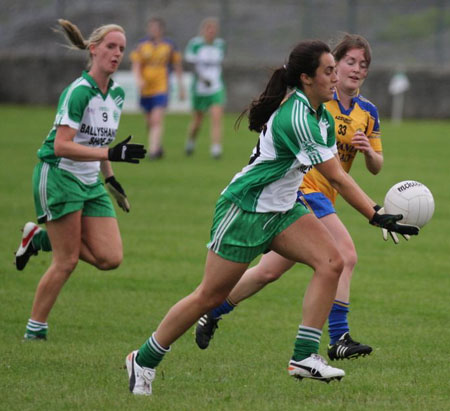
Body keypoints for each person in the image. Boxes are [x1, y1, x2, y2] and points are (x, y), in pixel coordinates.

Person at [125, 39, 418, 395]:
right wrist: (376, 214)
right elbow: (337, 177)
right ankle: (143, 358)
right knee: (207, 296)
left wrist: (375, 213)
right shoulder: (296, 116)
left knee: (332, 262)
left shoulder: (321, 115)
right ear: (307, 78)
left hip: (283, 209)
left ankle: (303, 356)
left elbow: (339, 175)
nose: (336, 78)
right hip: (246, 210)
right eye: (328, 71)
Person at [195, 34, 389, 361]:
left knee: (268, 272)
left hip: (322, 195)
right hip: (303, 190)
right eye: (349, 62)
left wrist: (369, 153)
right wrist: (375, 212)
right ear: (333, 66)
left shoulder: (367, 112)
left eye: (364, 65)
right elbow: (330, 171)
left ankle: (214, 311)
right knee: (344, 255)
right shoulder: (315, 100)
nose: (357, 69)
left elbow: (376, 167)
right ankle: (338, 337)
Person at [14, 19, 146, 340]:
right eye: (111, 47)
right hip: (59, 176)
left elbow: (98, 146)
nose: (117, 54)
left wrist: (111, 180)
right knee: (67, 260)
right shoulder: (78, 92)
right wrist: (110, 155)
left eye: (121, 49)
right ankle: (35, 329)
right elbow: (62, 145)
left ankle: (38, 239)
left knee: (110, 258)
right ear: (94, 49)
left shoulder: (114, 95)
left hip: (90, 182)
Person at [130, 17, 185, 159]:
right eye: (151, 28)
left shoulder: (169, 45)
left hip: (162, 86)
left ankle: (153, 150)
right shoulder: (142, 45)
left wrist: (181, 87)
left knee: (156, 119)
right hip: (146, 88)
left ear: (161, 30)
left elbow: (177, 66)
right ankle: (158, 146)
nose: (153, 30)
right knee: (149, 121)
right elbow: (136, 64)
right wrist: (138, 80)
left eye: (155, 28)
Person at [184, 17, 226, 159]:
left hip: (216, 86)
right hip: (200, 88)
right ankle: (190, 141)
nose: (211, 32)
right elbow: (190, 64)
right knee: (197, 121)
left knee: (216, 117)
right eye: (209, 29)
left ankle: (216, 148)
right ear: (203, 31)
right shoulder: (195, 44)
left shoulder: (220, 45)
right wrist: (202, 78)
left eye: (213, 30)